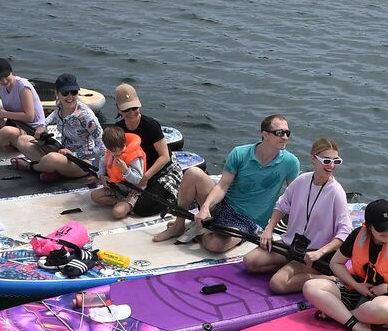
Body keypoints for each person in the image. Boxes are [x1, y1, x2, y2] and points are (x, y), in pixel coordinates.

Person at [154, 114, 301, 254]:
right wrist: (205, 207)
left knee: (215, 245)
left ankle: (202, 231)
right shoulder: (240, 153)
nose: (285, 137)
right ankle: (179, 225)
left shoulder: (291, 162)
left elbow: (294, 198)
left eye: (288, 133)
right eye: (280, 133)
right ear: (265, 134)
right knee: (193, 173)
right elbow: (222, 186)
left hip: (248, 221)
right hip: (224, 205)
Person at [301, 199, 388, 331]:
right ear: (368, 227)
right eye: (381, 229)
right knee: (311, 286)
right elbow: (336, 263)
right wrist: (356, 285)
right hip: (358, 290)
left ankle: (340, 314)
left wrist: (385, 288)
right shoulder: (357, 235)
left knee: (385, 309)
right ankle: (354, 324)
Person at [243, 137, 352, 294]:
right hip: (292, 246)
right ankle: (292, 267)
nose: (332, 166)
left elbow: (345, 231)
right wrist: (269, 229)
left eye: (337, 161)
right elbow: (282, 204)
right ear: (313, 158)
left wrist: (320, 252)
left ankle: (327, 278)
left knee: (277, 284)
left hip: (314, 253)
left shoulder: (336, 192)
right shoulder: (302, 180)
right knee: (250, 262)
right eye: (327, 161)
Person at [13, 72, 104, 181]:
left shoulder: (86, 116)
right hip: (62, 152)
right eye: (65, 92)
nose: (70, 97)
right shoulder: (60, 107)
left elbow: (102, 147)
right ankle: (51, 168)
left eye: (74, 92)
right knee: (23, 140)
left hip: (82, 162)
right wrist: (42, 126)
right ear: (58, 94)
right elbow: (51, 117)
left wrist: (74, 154)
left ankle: (31, 167)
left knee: (51, 158)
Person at [112, 83, 185, 217]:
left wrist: (146, 177)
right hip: (136, 172)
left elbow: (164, 157)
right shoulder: (118, 128)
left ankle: (176, 197)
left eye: (134, 108)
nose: (132, 112)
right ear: (118, 109)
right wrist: (105, 175)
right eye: (126, 109)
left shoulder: (150, 125)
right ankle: (129, 200)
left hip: (161, 171)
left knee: (142, 209)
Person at [91, 126, 148, 219]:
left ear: (123, 143)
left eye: (119, 149)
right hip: (117, 186)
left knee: (117, 213)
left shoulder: (134, 157)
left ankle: (128, 205)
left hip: (133, 189)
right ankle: (120, 201)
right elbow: (102, 161)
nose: (116, 153)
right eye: (113, 151)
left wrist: (125, 170)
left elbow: (138, 180)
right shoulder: (110, 151)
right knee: (94, 196)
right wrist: (101, 175)